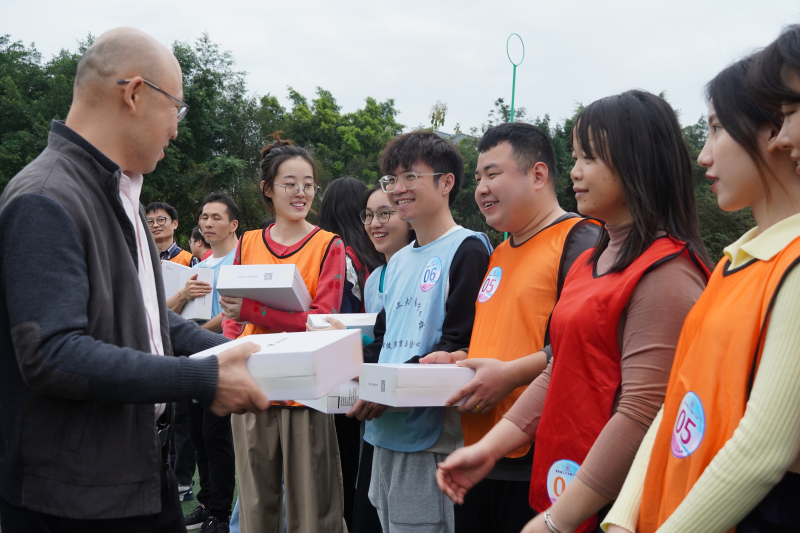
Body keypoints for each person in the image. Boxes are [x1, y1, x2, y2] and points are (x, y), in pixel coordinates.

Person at [0, 27, 269, 533]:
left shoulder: (123, 196)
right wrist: (202, 378)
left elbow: (149, 323)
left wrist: (251, 351)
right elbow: (53, 354)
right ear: (135, 94)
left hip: (140, 473)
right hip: (73, 499)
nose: (176, 130)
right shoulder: (46, 197)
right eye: (176, 109)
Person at [436, 91, 712, 533]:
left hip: (612, 505)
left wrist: (556, 520)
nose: (576, 172)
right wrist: (489, 448)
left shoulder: (666, 272)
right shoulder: (592, 261)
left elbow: (641, 412)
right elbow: (561, 367)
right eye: (576, 156)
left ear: (638, 162)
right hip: (563, 477)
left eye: (590, 158)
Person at [602, 48, 800, 533]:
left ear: (775, 130)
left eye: (716, 128)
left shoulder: (791, 266)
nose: (704, 155)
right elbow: (677, 401)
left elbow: (762, 449)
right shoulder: (733, 261)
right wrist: (624, 518)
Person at [421, 122, 600, 533]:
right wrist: (459, 359)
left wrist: (510, 376)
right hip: (481, 452)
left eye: (493, 174)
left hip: (537, 459)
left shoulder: (581, 240)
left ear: (537, 175)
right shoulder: (499, 251)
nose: (481, 188)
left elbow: (582, 348)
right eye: (478, 177)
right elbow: (503, 337)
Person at [350, 131, 493, 533]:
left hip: (432, 439)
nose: (397, 189)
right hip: (382, 431)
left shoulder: (468, 249)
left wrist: (386, 388)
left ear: (446, 182)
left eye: (410, 176)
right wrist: (345, 370)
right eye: (391, 179)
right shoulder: (397, 262)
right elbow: (384, 341)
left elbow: (460, 346)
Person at [219, 138, 348, 533]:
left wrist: (254, 312)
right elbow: (231, 315)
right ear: (268, 189)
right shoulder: (248, 242)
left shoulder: (328, 245)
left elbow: (322, 321)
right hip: (254, 390)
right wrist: (236, 339)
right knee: (256, 505)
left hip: (305, 393)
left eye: (308, 184)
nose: (300, 193)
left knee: (313, 509)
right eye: (289, 184)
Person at [314, 176, 381, 533]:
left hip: (339, 374)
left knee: (339, 472)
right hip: (372, 370)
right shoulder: (374, 258)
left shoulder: (336, 257)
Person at [350, 182, 415, 533]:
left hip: (409, 414)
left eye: (385, 213)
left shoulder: (423, 267)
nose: (375, 223)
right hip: (372, 404)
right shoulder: (375, 277)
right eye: (369, 215)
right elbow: (379, 337)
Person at [181, 192, 241, 532]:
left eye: (216, 217)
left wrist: (198, 334)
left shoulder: (241, 261)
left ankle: (220, 512)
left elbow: (232, 312)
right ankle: (206, 503)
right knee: (197, 434)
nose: (207, 223)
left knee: (216, 435)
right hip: (195, 359)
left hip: (225, 357)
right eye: (204, 217)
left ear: (233, 224)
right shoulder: (199, 266)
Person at [146, 201, 197, 266]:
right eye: (150, 221)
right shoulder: (141, 258)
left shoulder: (188, 260)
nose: (155, 225)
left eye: (161, 220)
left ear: (175, 224)